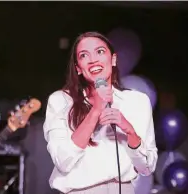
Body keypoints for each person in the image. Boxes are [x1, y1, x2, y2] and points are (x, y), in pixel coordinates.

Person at [43, 31, 158, 194]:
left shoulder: (137, 101)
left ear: (113, 59)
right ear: (78, 68)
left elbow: (146, 167)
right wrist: (96, 109)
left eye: (100, 52)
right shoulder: (60, 101)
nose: (93, 59)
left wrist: (130, 132)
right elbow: (63, 160)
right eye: (84, 55)